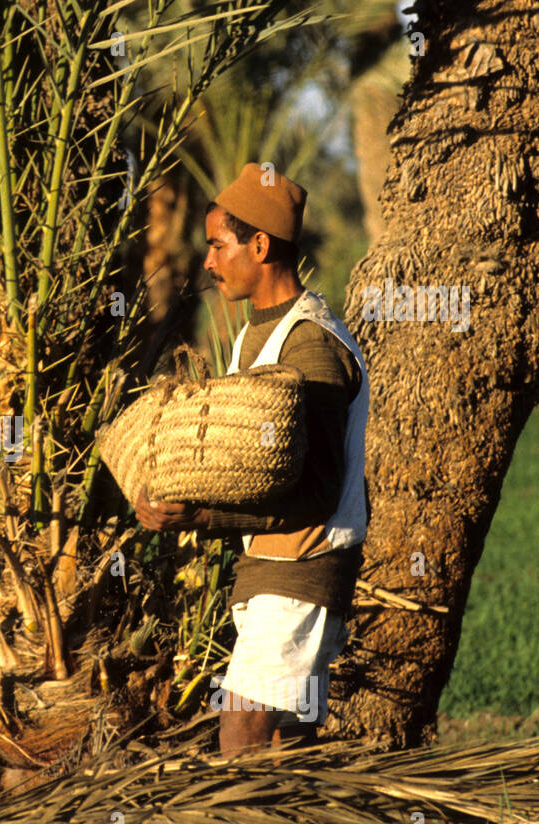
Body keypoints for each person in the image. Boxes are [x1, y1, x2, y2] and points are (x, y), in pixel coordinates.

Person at [134, 162, 369, 758]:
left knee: (242, 741)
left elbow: (315, 492)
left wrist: (203, 519)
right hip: (271, 575)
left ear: (260, 244)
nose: (208, 262)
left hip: (300, 574)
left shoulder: (309, 343)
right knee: (283, 750)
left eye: (218, 245)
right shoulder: (253, 339)